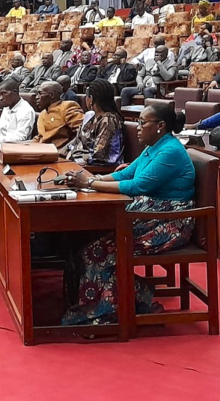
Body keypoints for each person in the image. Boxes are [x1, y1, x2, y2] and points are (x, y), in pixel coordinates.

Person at [62, 103, 196, 325]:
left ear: (161, 126)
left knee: (98, 251)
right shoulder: (153, 146)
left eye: (143, 123)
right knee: (83, 239)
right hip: (147, 213)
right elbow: (126, 174)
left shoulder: (170, 150)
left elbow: (136, 186)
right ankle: (136, 300)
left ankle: (106, 314)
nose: (138, 128)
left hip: (170, 221)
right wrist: (86, 182)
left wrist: (91, 182)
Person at [65, 79, 124, 165]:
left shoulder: (108, 120)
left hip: (98, 170)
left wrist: (74, 158)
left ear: (91, 99)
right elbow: (77, 141)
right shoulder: (92, 116)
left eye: (86, 96)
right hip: (80, 163)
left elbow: (100, 156)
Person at [32, 81, 83, 149]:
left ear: (52, 95)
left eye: (40, 93)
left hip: (60, 154)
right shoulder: (43, 113)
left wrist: (66, 150)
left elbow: (82, 132)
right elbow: (40, 138)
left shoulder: (67, 107)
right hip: (42, 151)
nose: (36, 97)